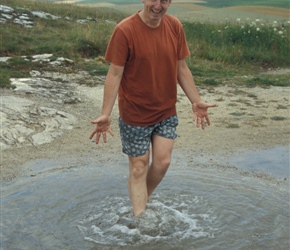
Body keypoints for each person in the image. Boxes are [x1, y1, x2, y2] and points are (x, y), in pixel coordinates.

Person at [89, 0, 216, 216]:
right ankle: (140, 220)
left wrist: (196, 101)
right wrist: (105, 113)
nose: (158, 5)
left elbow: (181, 68)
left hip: (166, 110)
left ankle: (140, 199)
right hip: (135, 113)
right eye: (154, 0)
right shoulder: (125, 30)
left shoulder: (174, 26)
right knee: (139, 167)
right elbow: (115, 73)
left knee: (163, 162)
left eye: (165, 0)